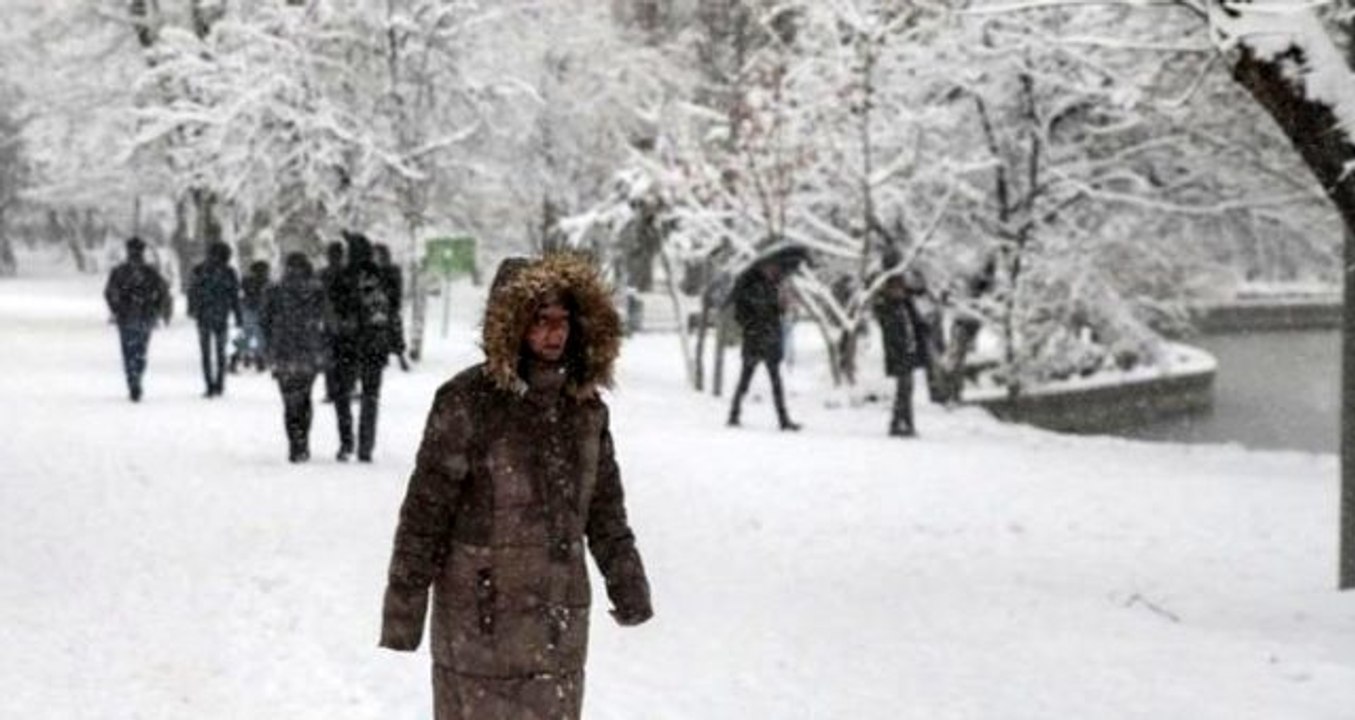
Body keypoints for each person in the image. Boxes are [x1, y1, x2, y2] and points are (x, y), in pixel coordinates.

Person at [379, 254, 653, 720]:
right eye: (541, 321)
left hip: (557, 623)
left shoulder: (584, 410)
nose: (555, 333)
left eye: (563, 321)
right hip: (480, 623)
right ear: (512, 324)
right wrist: (403, 613)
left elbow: (605, 511)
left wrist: (627, 584)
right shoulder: (467, 403)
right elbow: (425, 515)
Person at [328, 231, 396, 462]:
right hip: (374, 346)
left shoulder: (342, 277)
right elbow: (393, 312)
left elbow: (334, 310)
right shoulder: (383, 278)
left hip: (346, 345)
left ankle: (347, 442)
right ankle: (366, 446)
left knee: (342, 395)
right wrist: (395, 343)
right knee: (370, 396)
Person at [261, 253, 330, 463]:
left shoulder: (274, 290)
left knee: (289, 400)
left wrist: (269, 345)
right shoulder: (316, 290)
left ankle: (295, 443)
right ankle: (303, 441)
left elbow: (265, 321)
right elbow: (326, 318)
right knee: (305, 398)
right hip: (309, 351)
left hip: (283, 352)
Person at [727, 257, 801, 431]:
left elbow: (774, 312)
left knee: (776, 383)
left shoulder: (774, 285)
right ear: (763, 267)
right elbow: (742, 315)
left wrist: (783, 306)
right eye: (771, 267)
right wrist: (756, 320)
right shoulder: (749, 286)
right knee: (744, 381)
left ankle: (783, 420)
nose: (774, 270)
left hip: (771, 341)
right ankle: (733, 414)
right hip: (754, 341)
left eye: (775, 268)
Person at [103, 236, 171, 402]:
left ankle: (132, 380)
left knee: (128, 351)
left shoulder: (119, 271)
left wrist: (115, 309)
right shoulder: (151, 272)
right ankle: (137, 378)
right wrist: (157, 310)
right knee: (141, 350)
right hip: (145, 316)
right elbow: (164, 292)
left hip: (125, 316)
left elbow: (108, 293)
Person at [873, 260, 933, 437]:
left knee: (907, 389)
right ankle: (901, 423)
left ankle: (903, 422)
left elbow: (919, 292)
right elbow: (891, 330)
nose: (901, 290)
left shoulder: (905, 304)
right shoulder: (887, 307)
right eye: (897, 287)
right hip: (898, 352)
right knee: (904, 388)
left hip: (909, 349)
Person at [188, 241, 242, 397]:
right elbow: (234, 296)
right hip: (221, 316)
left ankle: (210, 384)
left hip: (204, 316)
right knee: (220, 353)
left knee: (206, 353)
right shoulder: (229, 272)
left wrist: (193, 309)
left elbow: (193, 292)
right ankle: (219, 383)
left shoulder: (200, 270)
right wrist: (238, 316)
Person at [372, 242, 410, 371]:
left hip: (390, 307)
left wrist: (389, 299)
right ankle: (383, 358)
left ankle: (400, 359)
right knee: (380, 335)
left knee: (394, 333)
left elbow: (396, 289)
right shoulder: (374, 270)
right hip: (378, 308)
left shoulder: (393, 270)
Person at [231, 259, 271, 373]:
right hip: (259, 310)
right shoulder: (265, 281)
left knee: (244, 336)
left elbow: (241, 292)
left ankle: (235, 360)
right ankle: (259, 360)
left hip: (246, 309)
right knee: (259, 336)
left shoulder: (246, 280)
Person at [318, 241, 345, 403]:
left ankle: (332, 391)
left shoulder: (322, 274)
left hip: (328, 322)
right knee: (343, 359)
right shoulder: (348, 273)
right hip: (344, 323)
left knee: (330, 359)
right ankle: (343, 389)